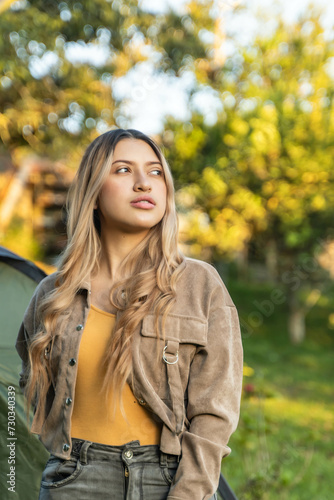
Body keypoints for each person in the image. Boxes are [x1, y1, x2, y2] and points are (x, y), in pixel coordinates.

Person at [15, 128, 243, 500]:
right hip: (74, 481)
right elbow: (31, 381)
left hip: (170, 480)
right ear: (92, 193)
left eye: (155, 172)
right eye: (123, 170)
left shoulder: (200, 284)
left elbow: (215, 411)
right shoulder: (53, 294)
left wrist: (190, 492)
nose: (143, 184)